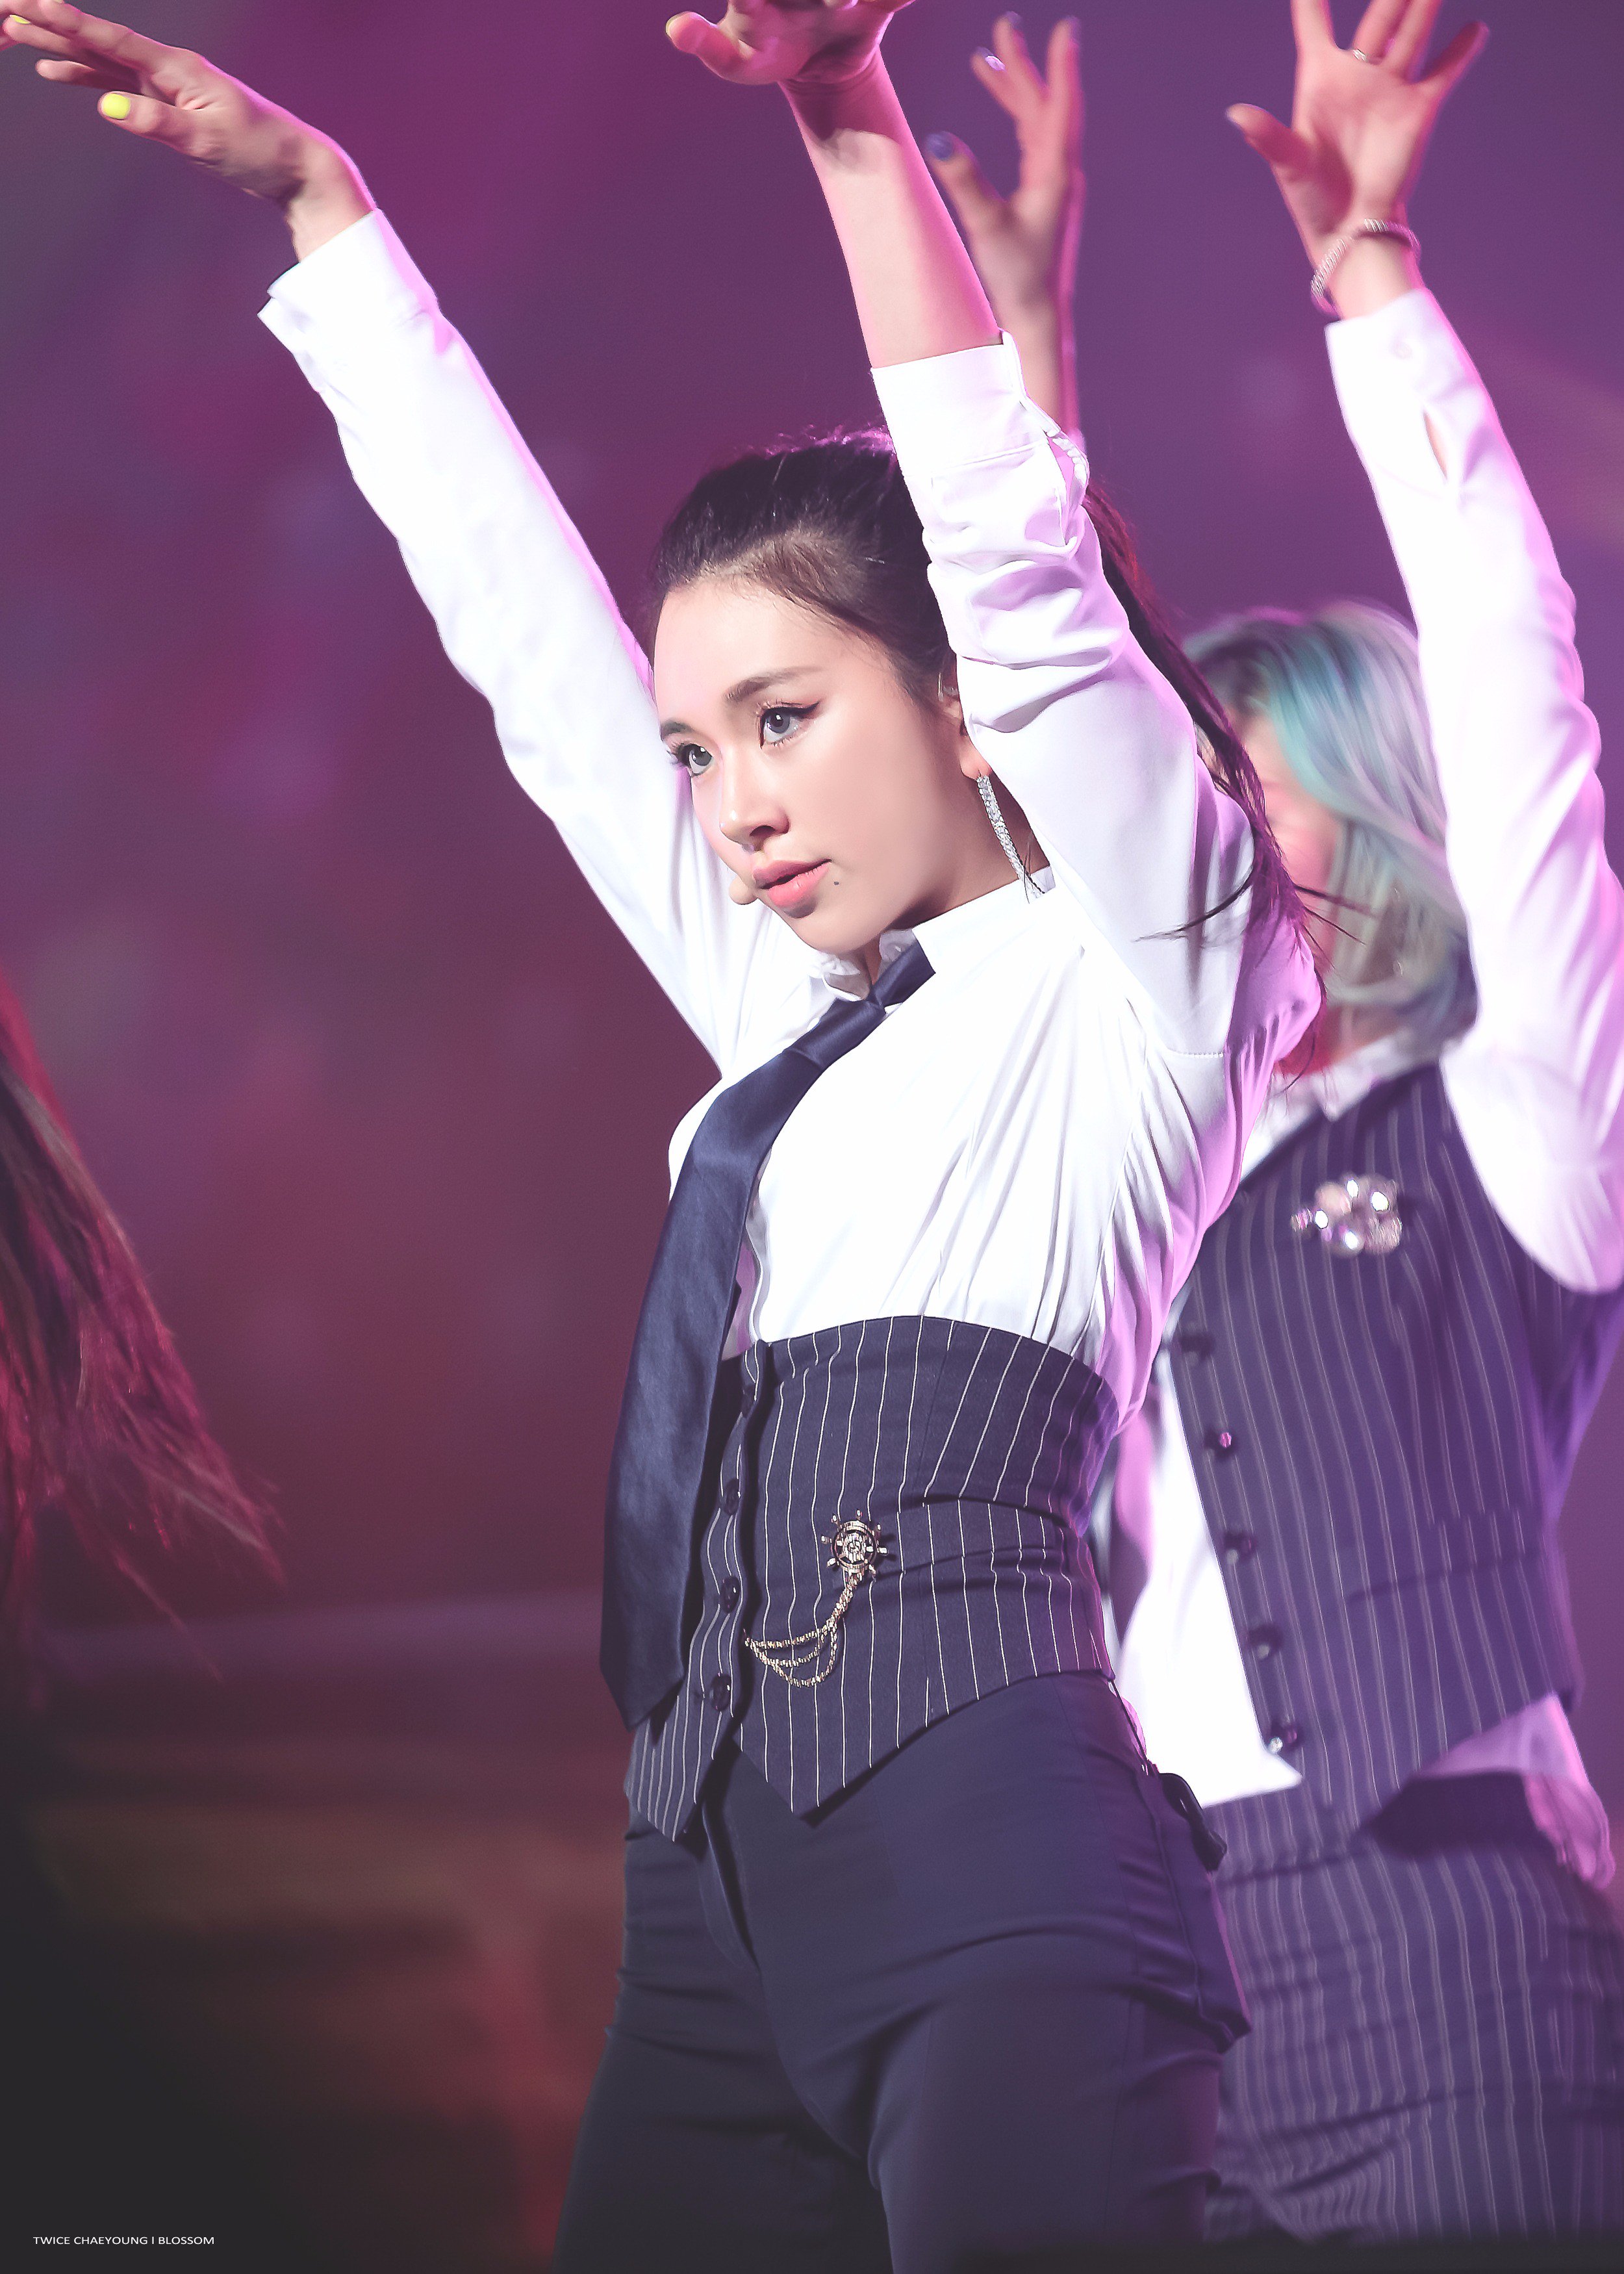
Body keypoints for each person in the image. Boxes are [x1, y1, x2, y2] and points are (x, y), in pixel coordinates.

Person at [3, 1, 1321, 2262]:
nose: (730, 803)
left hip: (997, 1874)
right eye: (701, 750)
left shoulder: (1153, 977)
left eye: (783, 719)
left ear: (963, 706)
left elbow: (1016, 565)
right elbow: (536, 665)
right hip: (706, 1909)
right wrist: (329, 220)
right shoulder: (785, 1020)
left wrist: (841, 107)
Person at [933, 0, 1624, 2243]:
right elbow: (1066, 758)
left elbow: (1515, 682)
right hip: (1172, 1964)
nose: (1204, 830)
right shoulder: (1164, 1139)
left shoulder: (1518, 1112)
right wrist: (1014, 352)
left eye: (1251, 781)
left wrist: (1371, 276)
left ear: (1380, 815)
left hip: (1459, 1949)